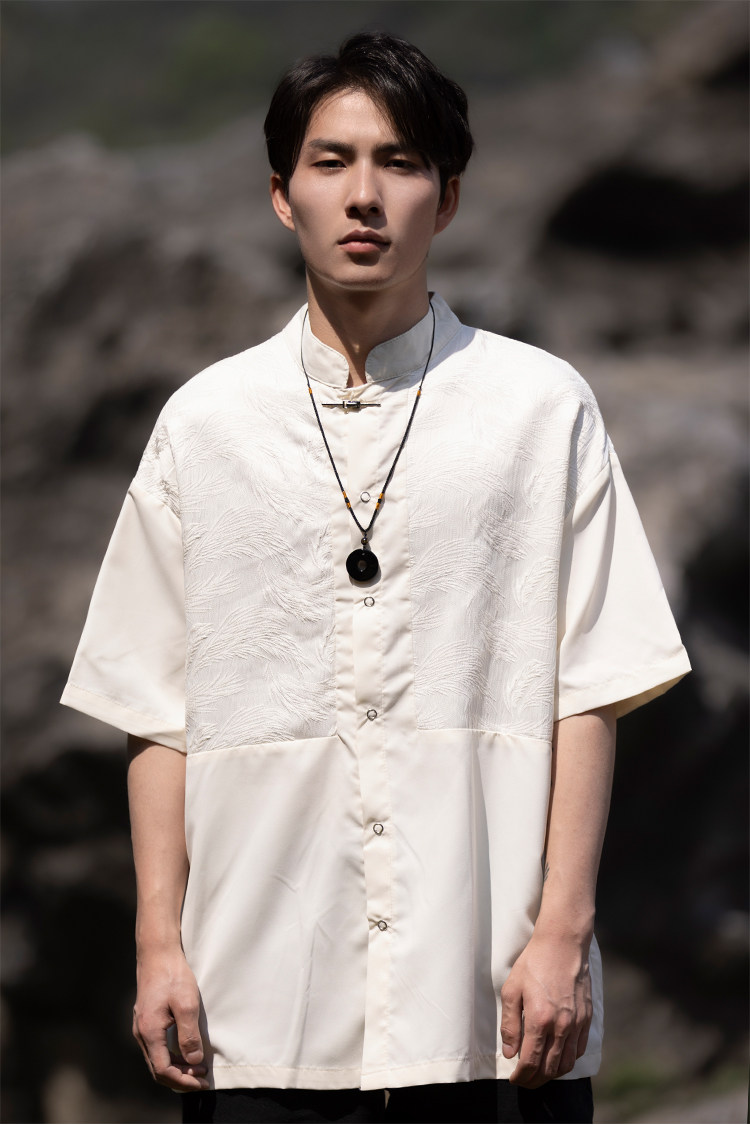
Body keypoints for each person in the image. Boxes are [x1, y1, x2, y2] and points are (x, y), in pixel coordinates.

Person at [61, 31, 691, 1125]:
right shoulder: (205, 426)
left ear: (446, 199)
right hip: (257, 1013)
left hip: (493, 1008)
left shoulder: (539, 409)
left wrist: (562, 934)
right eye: (332, 161)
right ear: (281, 194)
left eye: (400, 163)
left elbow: (588, 687)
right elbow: (153, 708)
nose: (365, 196)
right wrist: (159, 946)